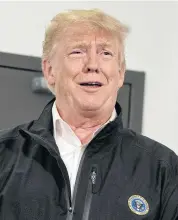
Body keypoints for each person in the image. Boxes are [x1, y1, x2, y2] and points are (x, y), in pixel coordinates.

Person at [0, 8, 178, 220]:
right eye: (78, 52)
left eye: (106, 53)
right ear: (49, 71)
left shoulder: (162, 168)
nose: (93, 65)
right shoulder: (4, 153)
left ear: (120, 73)